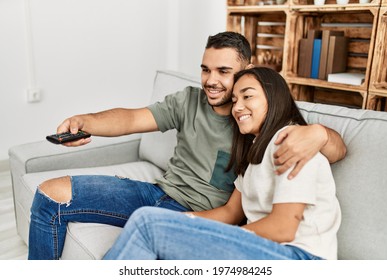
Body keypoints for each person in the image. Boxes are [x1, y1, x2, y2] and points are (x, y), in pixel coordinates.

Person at [28, 32, 346, 260]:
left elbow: (330, 149)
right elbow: (132, 119)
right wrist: (86, 121)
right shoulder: (212, 116)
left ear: (247, 71)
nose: (211, 80)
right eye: (206, 69)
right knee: (49, 193)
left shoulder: (274, 134)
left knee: (147, 224)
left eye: (224, 71)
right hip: (158, 193)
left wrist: (317, 132)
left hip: (207, 214)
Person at [103, 67, 342, 260]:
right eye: (235, 100)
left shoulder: (292, 142)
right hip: (265, 251)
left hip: (300, 257)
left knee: (147, 222)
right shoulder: (254, 154)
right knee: (152, 225)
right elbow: (229, 212)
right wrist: (183, 221)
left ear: (274, 98)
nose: (237, 107)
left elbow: (283, 228)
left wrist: (215, 237)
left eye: (248, 96)